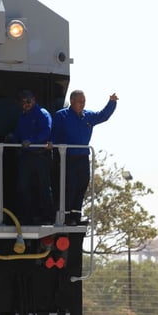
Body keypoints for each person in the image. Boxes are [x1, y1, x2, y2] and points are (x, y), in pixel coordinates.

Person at [51, 90, 118, 225]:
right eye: (80, 102)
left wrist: (112, 102)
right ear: (72, 101)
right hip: (67, 157)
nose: (82, 104)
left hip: (82, 157)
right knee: (70, 187)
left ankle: (76, 216)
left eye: (84, 101)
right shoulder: (61, 116)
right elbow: (54, 135)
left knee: (81, 186)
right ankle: (67, 217)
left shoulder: (88, 116)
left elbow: (103, 116)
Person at [8, 90, 53, 224]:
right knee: (23, 187)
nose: (25, 104)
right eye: (22, 102)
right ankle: (28, 216)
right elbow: (18, 133)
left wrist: (32, 141)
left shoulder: (42, 114)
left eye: (28, 101)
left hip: (40, 156)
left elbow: (46, 132)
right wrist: (13, 137)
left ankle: (47, 217)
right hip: (26, 157)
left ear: (33, 100)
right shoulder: (22, 117)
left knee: (43, 187)